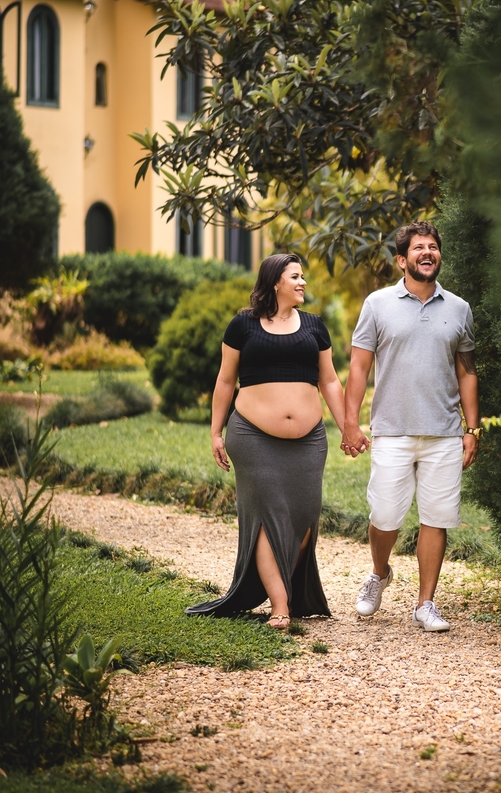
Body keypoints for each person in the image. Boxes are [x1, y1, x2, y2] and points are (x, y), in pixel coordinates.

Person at [186, 254, 343, 628]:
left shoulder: (315, 327)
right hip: (252, 438)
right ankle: (280, 605)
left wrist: (349, 427)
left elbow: (331, 381)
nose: (303, 282)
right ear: (275, 282)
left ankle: (284, 589)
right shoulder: (243, 325)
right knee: (265, 517)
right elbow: (225, 381)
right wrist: (215, 431)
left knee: (304, 517)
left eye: (303, 276)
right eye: (295, 276)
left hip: (309, 441)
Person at [341, 221, 480, 632]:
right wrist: (351, 423)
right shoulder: (377, 304)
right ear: (402, 260)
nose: (428, 253)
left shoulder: (459, 308)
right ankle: (380, 573)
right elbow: (359, 366)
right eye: (419, 247)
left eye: (433, 247)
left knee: (436, 517)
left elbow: (467, 371)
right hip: (392, 429)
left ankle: (426, 604)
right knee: (384, 515)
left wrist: (472, 429)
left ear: (439, 256)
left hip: (443, 433)